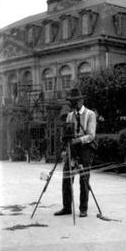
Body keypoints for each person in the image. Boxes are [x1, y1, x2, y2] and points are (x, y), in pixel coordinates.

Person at [54, 88, 97, 218]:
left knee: (84, 179)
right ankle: (67, 207)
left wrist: (77, 140)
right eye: (71, 101)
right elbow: (67, 131)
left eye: (75, 101)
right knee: (66, 176)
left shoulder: (90, 114)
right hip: (72, 148)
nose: (73, 104)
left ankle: (83, 208)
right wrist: (66, 139)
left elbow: (91, 135)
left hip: (85, 148)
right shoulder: (70, 115)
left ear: (81, 100)